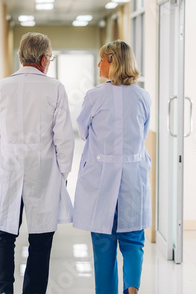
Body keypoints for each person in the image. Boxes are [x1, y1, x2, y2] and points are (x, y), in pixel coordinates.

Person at [0, 32, 75, 294]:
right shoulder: (55, 88)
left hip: (7, 169)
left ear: (21, 56)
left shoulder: (0, 87)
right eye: (51, 58)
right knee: (41, 237)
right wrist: (64, 172)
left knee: (4, 235)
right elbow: (64, 138)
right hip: (43, 172)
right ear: (45, 59)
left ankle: (4, 290)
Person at [73, 40, 151, 294]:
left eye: (102, 60)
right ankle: (132, 288)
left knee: (104, 243)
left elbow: (83, 131)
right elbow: (143, 133)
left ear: (113, 62)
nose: (98, 65)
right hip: (133, 175)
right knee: (132, 239)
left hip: (101, 178)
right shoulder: (143, 97)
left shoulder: (94, 95)